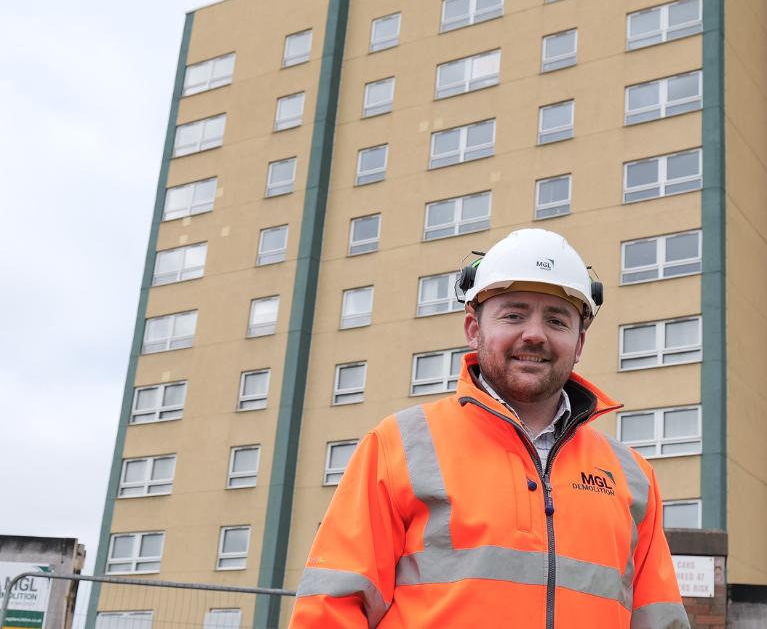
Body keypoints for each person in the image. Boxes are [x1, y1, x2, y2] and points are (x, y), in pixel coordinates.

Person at [291, 228, 688, 628]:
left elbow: (661, 620)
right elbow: (331, 610)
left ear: (579, 343)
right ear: (473, 329)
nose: (534, 334)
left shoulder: (633, 477)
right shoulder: (398, 447)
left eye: (557, 320)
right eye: (513, 314)